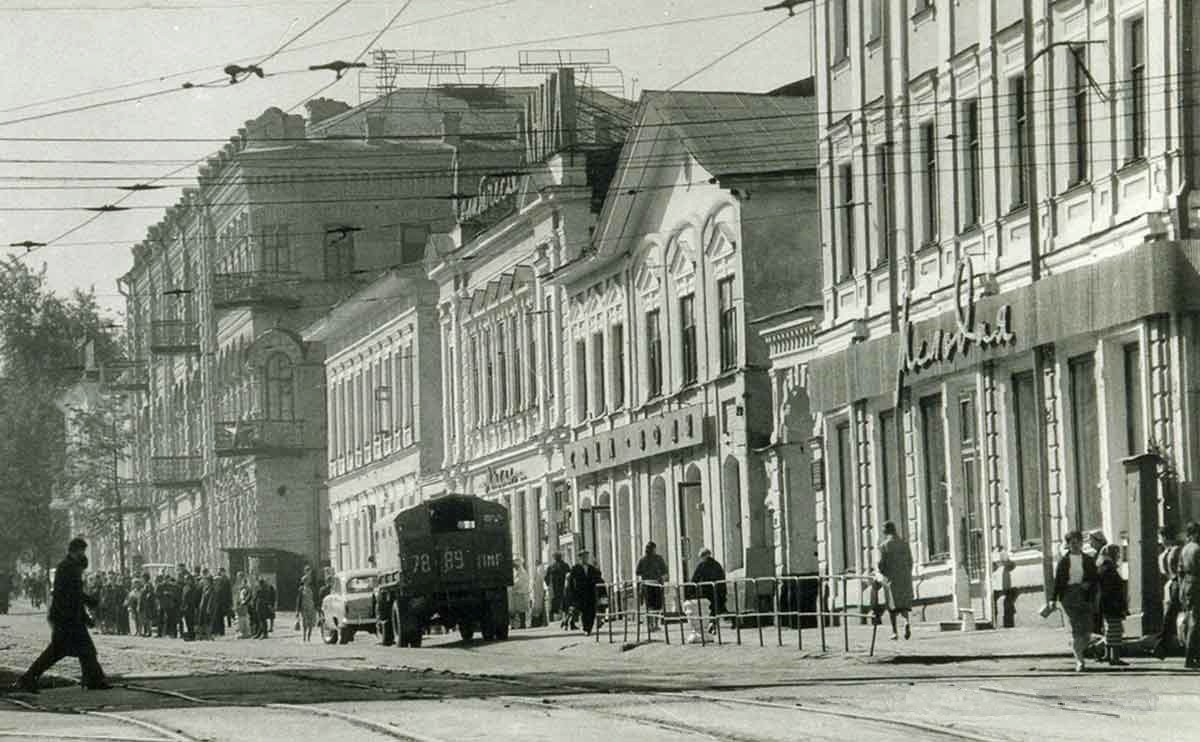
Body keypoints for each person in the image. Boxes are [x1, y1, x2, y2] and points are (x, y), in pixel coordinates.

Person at [12, 538, 111, 693]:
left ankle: (92, 680)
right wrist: (90, 605)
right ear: (76, 550)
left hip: (68, 617)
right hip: (66, 618)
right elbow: (73, 595)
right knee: (64, 651)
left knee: (81, 650)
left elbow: (75, 596)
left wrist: (84, 617)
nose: (83, 554)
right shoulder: (68, 567)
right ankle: (27, 679)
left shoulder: (69, 566)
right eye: (82, 551)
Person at [1051, 530, 1099, 672]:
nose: (1076, 545)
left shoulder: (1088, 560)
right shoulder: (1064, 561)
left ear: (1082, 543)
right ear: (1068, 544)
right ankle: (1080, 661)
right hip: (1069, 596)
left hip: (1085, 595)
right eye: (1072, 542)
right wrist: (1052, 599)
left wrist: (1088, 584)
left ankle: (1076, 646)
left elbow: (1095, 578)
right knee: (1077, 628)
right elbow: (1058, 581)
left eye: (1078, 542)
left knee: (1088, 630)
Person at [876, 521, 915, 641]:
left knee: (892, 606)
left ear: (886, 531)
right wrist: (906, 573)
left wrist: (882, 573)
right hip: (904, 578)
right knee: (904, 605)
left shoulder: (884, 546)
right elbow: (910, 561)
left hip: (891, 579)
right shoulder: (904, 544)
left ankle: (894, 632)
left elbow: (881, 564)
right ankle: (906, 622)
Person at [1154, 525, 1184, 659]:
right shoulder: (1169, 552)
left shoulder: (1174, 551)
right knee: (1170, 615)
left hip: (1174, 583)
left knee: (1170, 616)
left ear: (1165, 537)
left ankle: (1163, 645)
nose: (1160, 540)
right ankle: (1164, 645)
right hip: (1172, 583)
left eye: (1161, 537)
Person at [1096, 543, 1128, 666]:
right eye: (1117, 553)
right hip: (1112, 603)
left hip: (1105, 603)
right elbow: (1113, 589)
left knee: (1109, 630)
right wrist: (1121, 605)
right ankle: (1114, 657)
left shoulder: (1102, 566)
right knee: (1115, 630)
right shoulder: (1109, 568)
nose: (1119, 556)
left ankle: (1107, 655)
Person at [567, 551, 603, 636]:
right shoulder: (575, 569)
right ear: (579, 558)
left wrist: (597, 567)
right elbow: (571, 582)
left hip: (591, 593)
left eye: (586, 557)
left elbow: (598, 577)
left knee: (592, 611)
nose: (585, 559)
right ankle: (586, 628)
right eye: (583, 557)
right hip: (580, 594)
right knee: (584, 611)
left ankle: (589, 627)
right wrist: (572, 594)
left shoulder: (591, 568)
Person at [1179, 521, 1200, 669]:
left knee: (1191, 619)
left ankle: (1191, 656)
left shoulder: (1185, 549)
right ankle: (1190, 656)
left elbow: (1180, 570)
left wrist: (1181, 588)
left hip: (1187, 584)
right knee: (1195, 621)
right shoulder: (1197, 549)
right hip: (1197, 584)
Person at [636, 542, 669, 630]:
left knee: (650, 605)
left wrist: (645, 574)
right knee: (657, 605)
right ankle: (655, 624)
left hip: (647, 584)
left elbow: (637, 572)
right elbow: (665, 571)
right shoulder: (658, 558)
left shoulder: (642, 559)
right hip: (656, 583)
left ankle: (651, 624)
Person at [543, 553, 569, 626]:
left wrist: (549, 585)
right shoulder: (562, 566)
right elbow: (546, 578)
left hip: (557, 588)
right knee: (562, 603)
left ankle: (557, 619)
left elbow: (546, 578)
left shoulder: (552, 567)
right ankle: (561, 618)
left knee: (558, 602)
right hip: (560, 588)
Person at [296, 568, 318, 642]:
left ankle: (309, 637)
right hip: (304, 608)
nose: (307, 582)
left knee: (311, 623)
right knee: (305, 623)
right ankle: (304, 637)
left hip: (311, 607)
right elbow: (298, 600)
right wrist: (297, 611)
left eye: (308, 580)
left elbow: (315, 597)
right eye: (306, 580)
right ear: (304, 581)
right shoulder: (301, 589)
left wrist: (317, 606)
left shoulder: (312, 588)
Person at [509, 557, 530, 630]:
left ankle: (522, 624)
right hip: (516, 594)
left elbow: (519, 583)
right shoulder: (516, 572)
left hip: (521, 593)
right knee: (516, 610)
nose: (515, 567)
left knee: (521, 610)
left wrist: (513, 585)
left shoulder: (522, 573)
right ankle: (516, 625)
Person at [214, 568, 232, 635]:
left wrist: (229, 602)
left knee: (222, 616)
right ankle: (219, 630)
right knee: (218, 617)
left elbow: (228, 592)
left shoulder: (226, 580)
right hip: (218, 601)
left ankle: (222, 631)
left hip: (224, 601)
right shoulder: (218, 580)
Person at [236, 573, 252, 638]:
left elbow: (249, 595)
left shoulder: (247, 588)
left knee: (244, 618)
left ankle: (246, 632)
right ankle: (242, 631)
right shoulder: (239, 586)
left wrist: (245, 601)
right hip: (240, 604)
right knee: (240, 618)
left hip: (244, 604)